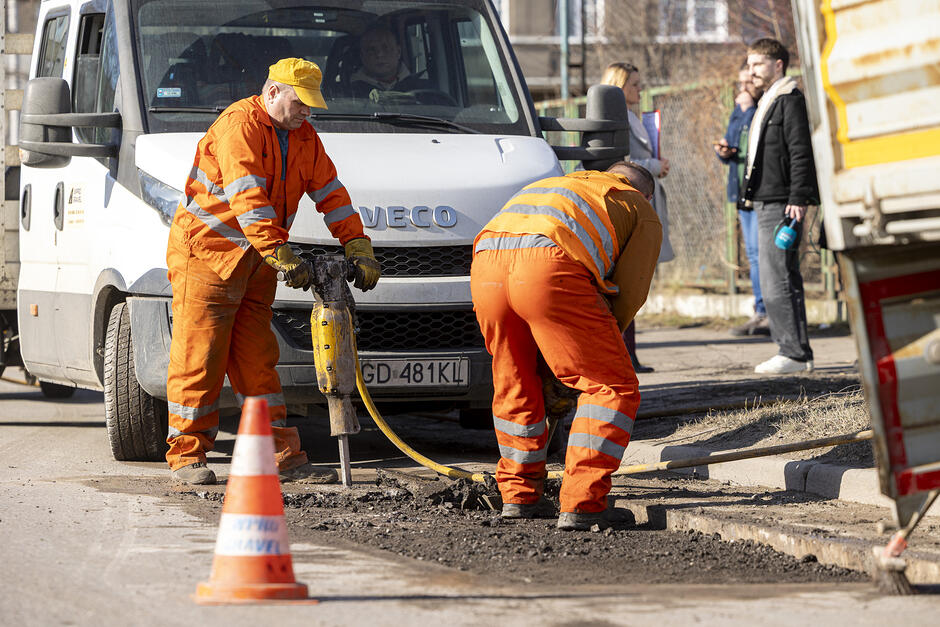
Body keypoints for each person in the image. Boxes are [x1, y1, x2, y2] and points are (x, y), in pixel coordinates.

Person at [165, 58, 381, 485]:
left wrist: (356, 242)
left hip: (256, 259)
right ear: (273, 93)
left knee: (258, 360)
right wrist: (280, 252)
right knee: (200, 357)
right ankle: (187, 455)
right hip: (208, 256)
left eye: (311, 106)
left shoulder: (303, 137)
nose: (307, 112)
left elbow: (330, 192)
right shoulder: (238, 126)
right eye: (300, 103)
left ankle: (280, 453)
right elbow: (248, 199)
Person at [470, 161, 662, 531]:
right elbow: (630, 294)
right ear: (647, 193)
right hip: (548, 265)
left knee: (516, 381)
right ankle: (583, 502)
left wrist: (556, 358)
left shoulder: (559, 186)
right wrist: (591, 350)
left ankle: (519, 496)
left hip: (485, 265)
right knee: (610, 386)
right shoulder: (637, 205)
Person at [740, 39, 818, 374]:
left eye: (758, 64)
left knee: (777, 280)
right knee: (776, 277)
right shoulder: (768, 102)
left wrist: (798, 198)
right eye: (749, 64)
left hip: (781, 203)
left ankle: (794, 354)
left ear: (778, 65)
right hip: (764, 200)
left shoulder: (789, 100)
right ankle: (796, 351)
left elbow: (801, 152)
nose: (751, 71)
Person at [600, 62, 674, 373]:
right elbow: (624, 163)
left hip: (644, 199)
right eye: (634, 84)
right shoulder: (617, 119)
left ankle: (630, 354)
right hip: (632, 204)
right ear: (618, 85)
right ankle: (624, 354)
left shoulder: (634, 117)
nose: (639, 90)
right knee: (628, 279)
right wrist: (655, 166)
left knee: (635, 279)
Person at [714, 63, 769, 337]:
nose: (743, 88)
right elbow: (734, 143)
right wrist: (723, 151)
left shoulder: (758, 108)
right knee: (753, 255)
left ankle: (767, 313)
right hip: (740, 190)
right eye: (740, 83)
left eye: (748, 82)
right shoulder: (739, 110)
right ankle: (761, 310)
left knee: (762, 255)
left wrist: (747, 109)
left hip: (759, 191)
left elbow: (755, 144)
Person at [348, 26, 429, 99]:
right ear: (362, 57)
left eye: (386, 47)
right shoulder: (349, 93)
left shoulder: (421, 89)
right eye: (371, 49)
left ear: (398, 52)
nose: (379, 54)